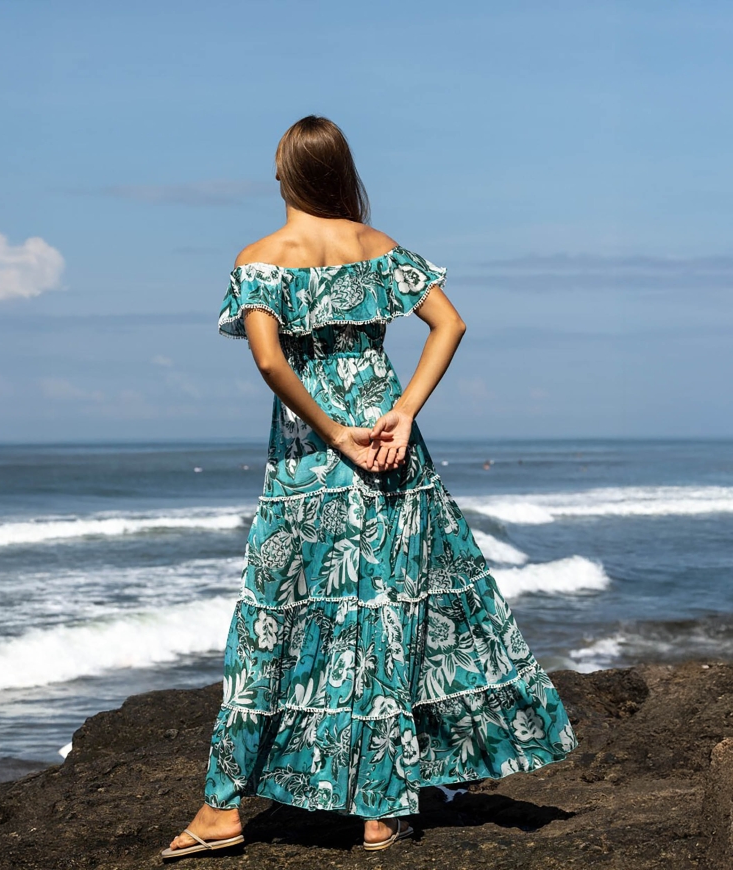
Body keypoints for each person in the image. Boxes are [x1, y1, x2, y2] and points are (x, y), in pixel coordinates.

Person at [162, 115, 578, 860]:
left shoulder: (262, 259)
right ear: (339, 172)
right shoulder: (376, 248)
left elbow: (269, 363)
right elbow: (448, 324)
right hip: (391, 449)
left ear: (284, 174)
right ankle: (382, 812)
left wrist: (329, 432)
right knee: (385, 618)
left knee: (274, 621)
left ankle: (223, 810)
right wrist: (404, 409)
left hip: (312, 462)